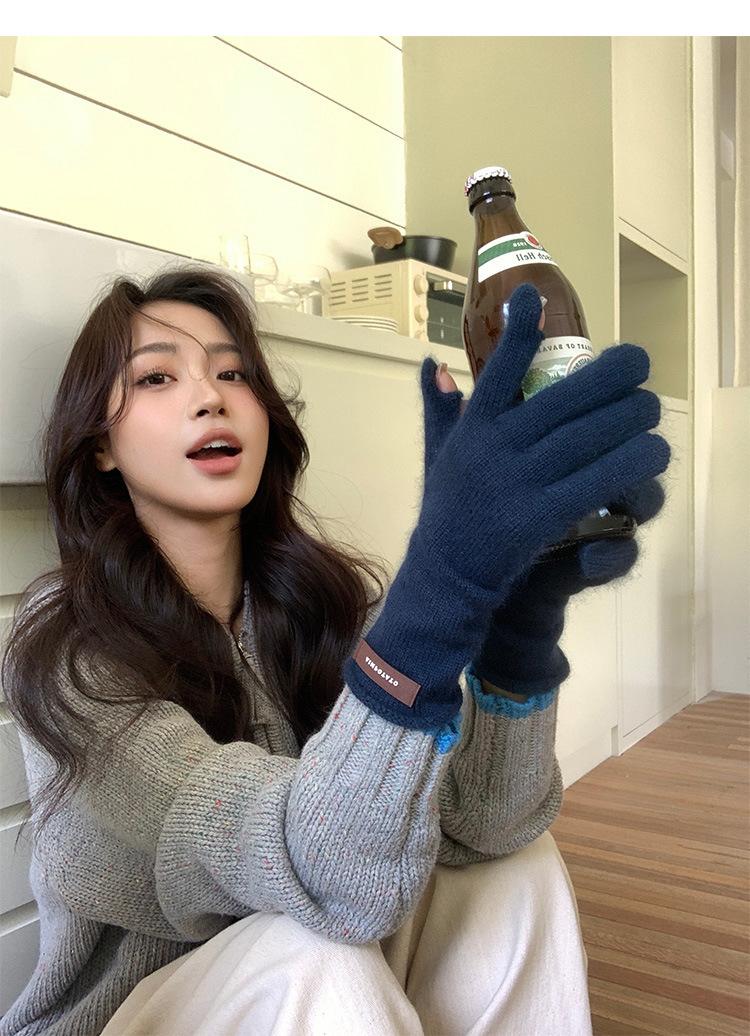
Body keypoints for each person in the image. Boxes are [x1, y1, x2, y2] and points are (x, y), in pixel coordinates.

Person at [0, 267, 670, 1036]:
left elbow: (483, 824)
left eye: (233, 373)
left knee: (515, 868)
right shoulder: (69, 650)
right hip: (132, 1017)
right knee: (320, 953)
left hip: (318, 987)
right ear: (100, 446)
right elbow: (336, 880)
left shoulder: (324, 601)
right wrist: (442, 585)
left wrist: (518, 631)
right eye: (157, 377)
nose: (211, 396)